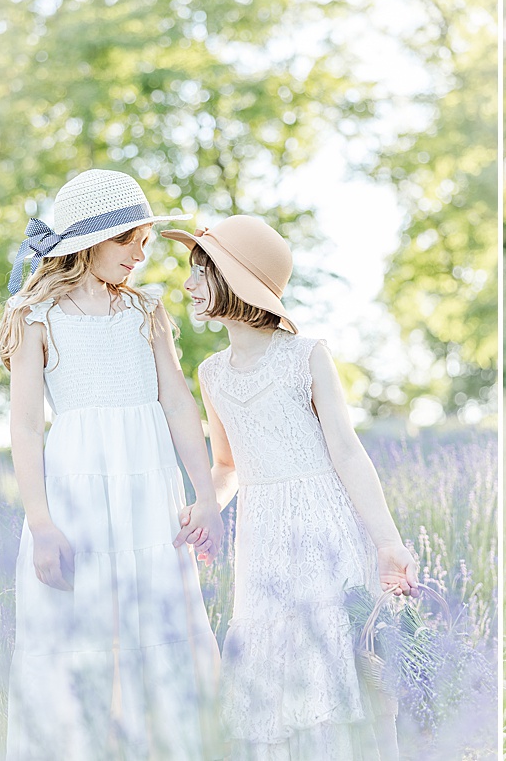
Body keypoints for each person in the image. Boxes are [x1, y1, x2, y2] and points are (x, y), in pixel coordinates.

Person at [162, 215, 418, 761]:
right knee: (283, 681)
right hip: (263, 539)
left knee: (346, 667)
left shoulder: (306, 355)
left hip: (327, 526)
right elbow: (228, 465)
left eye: (200, 273)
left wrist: (387, 542)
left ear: (233, 279)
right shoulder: (212, 373)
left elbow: (348, 453)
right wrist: (204, 509)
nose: (188, 286)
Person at [0, 169, 224, 760]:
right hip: (76, 498)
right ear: (89, 238)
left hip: (149, 494)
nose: (139, 256)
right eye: (129, 241)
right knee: (82, 642)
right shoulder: (36, 315)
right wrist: (41, 523)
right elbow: (24, 425)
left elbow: (177, 402)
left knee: (157, 637)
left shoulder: (145, 311)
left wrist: (206, 496)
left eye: (145, 244)